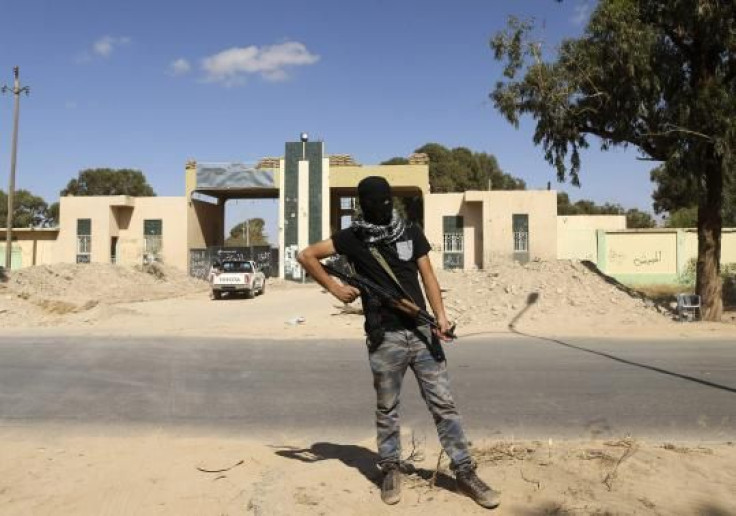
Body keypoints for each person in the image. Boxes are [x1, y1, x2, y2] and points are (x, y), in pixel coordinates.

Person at [297, 176, 500, 509]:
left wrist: (441, 317)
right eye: (376, 202)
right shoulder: (351, 237)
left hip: (421, 331)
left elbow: (428, 276)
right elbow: (306, 255)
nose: (384, 207)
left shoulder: (410, 231)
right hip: (384, 336)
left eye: (387, 201)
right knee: (387, 408)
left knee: (444, 405)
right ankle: (390, 468)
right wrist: (335, 288)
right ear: (364, 204)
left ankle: (465, 471)